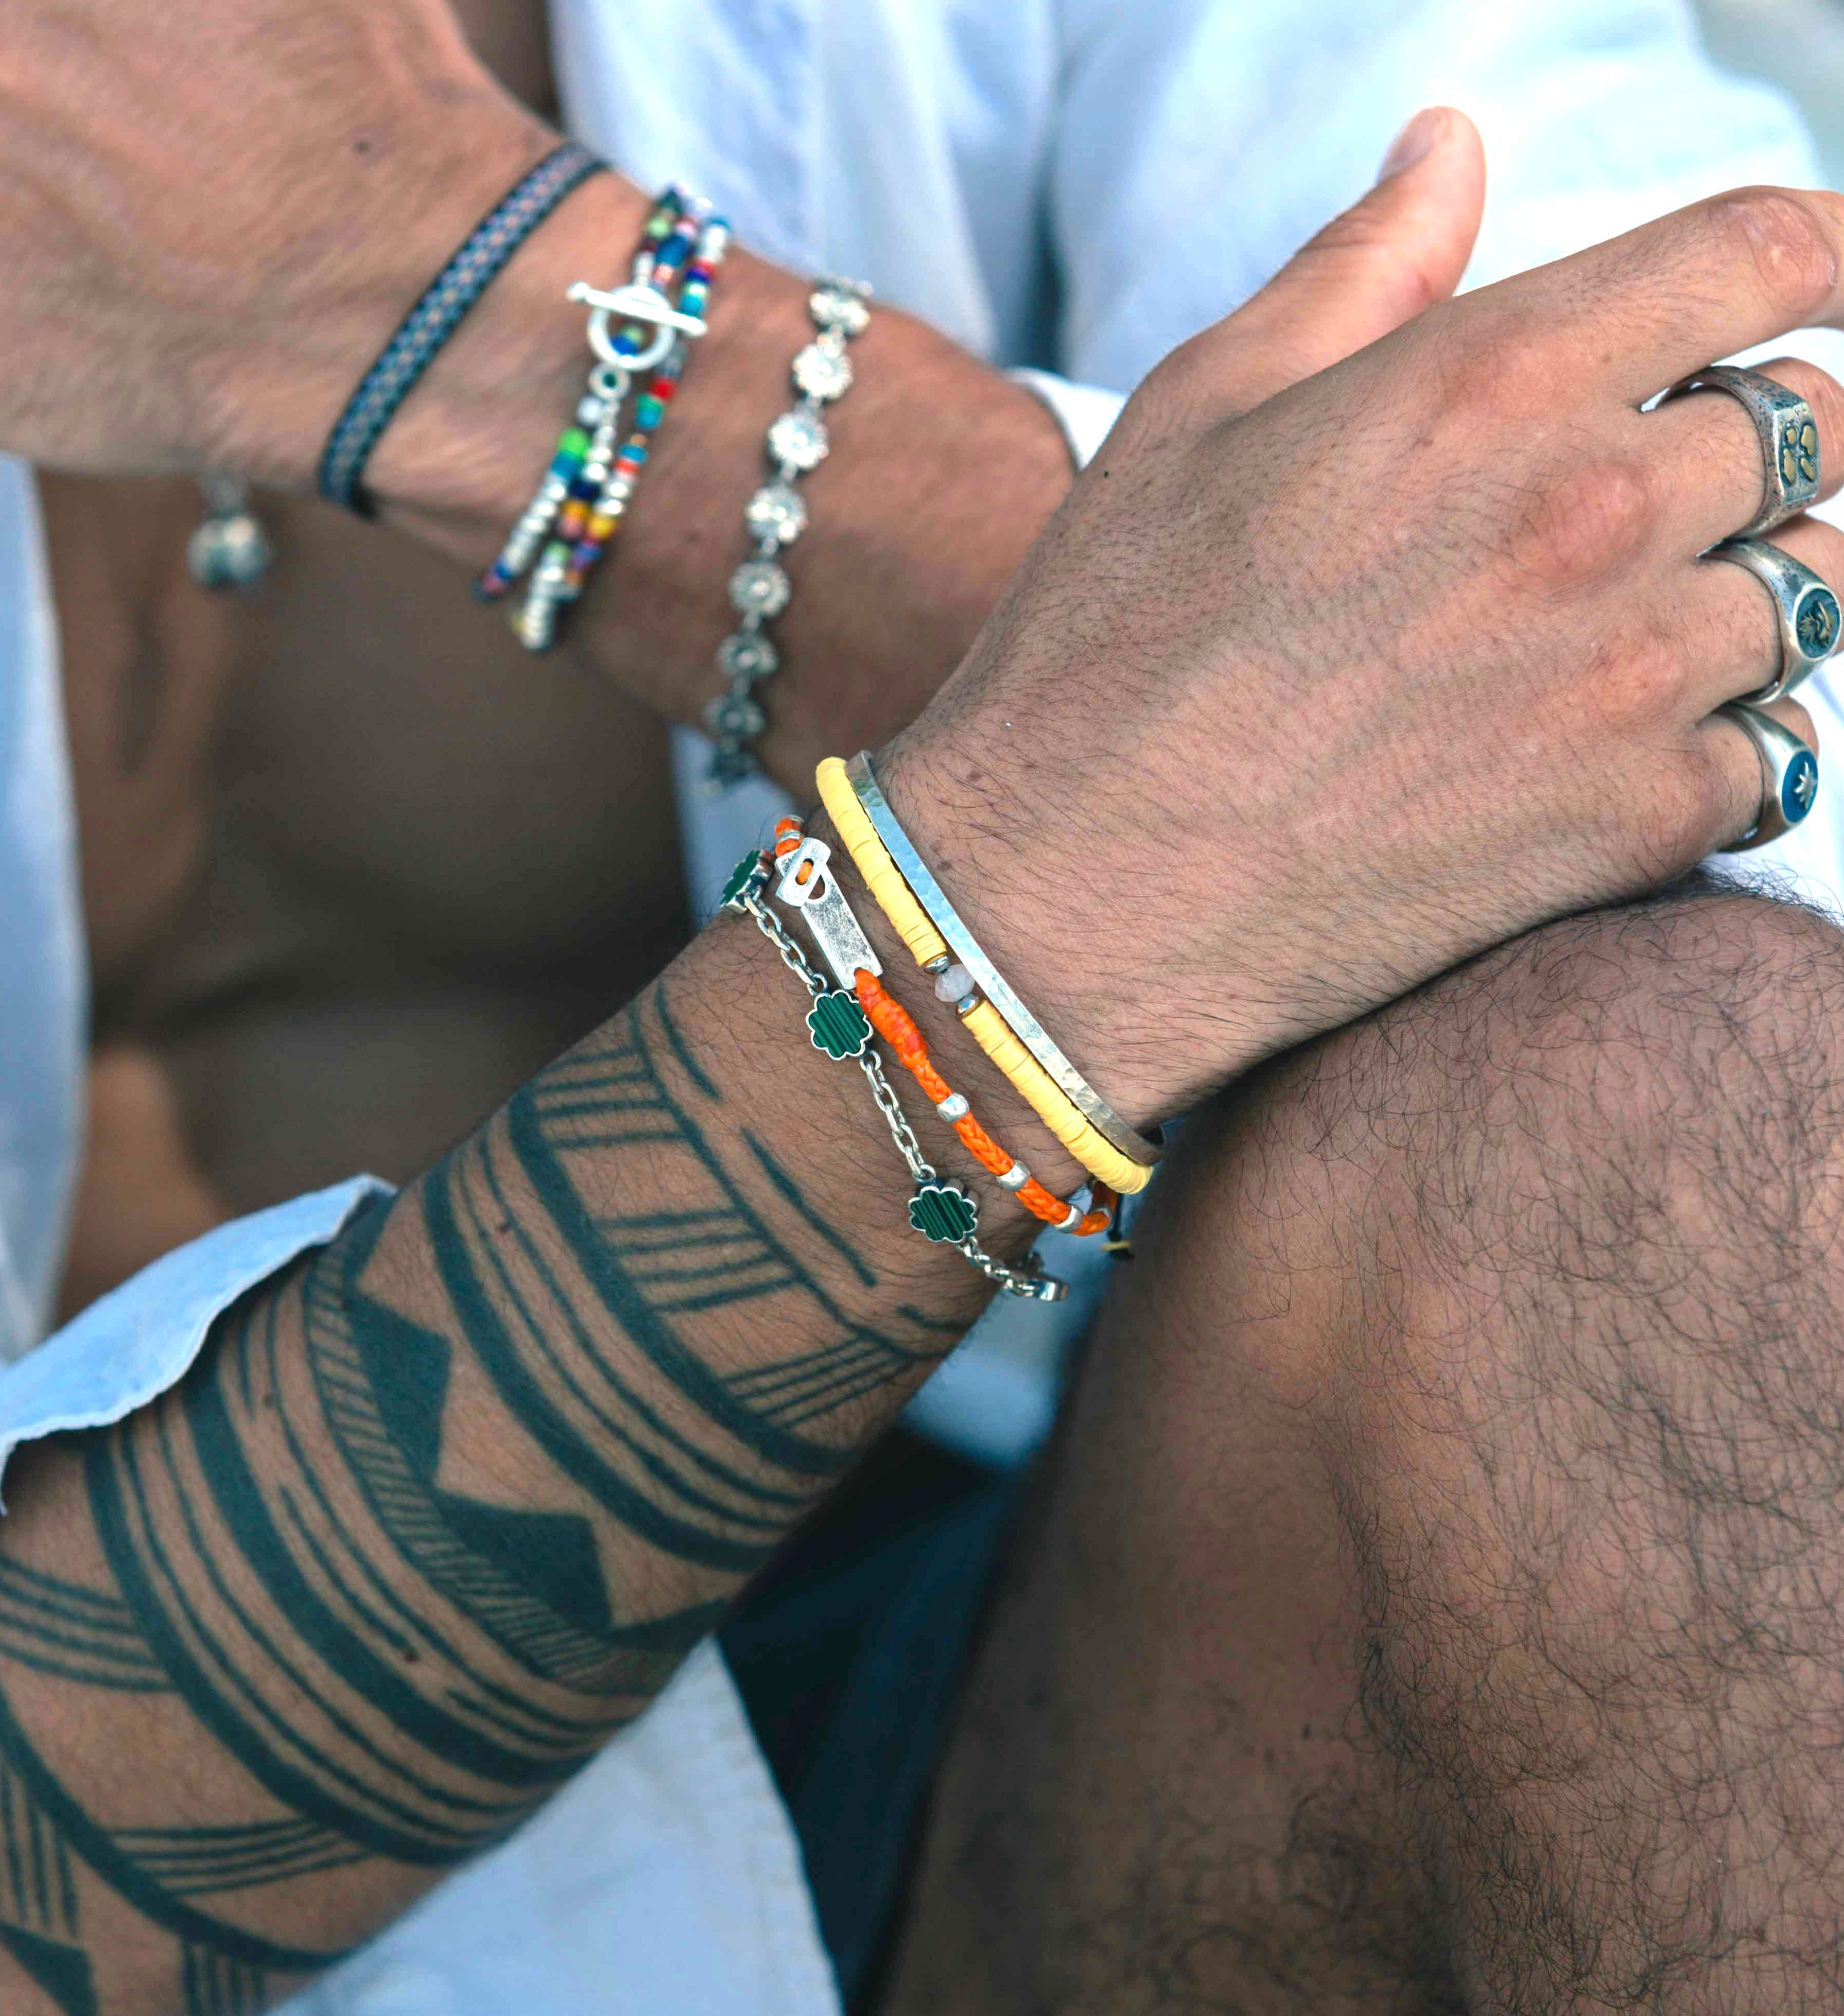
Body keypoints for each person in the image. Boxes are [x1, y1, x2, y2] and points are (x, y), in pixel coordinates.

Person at [0, 9, 1843, 2016]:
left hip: (998, 1686)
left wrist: (519, 334)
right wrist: (1038, 894)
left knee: (1652, 1139)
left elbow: (1754, 685)